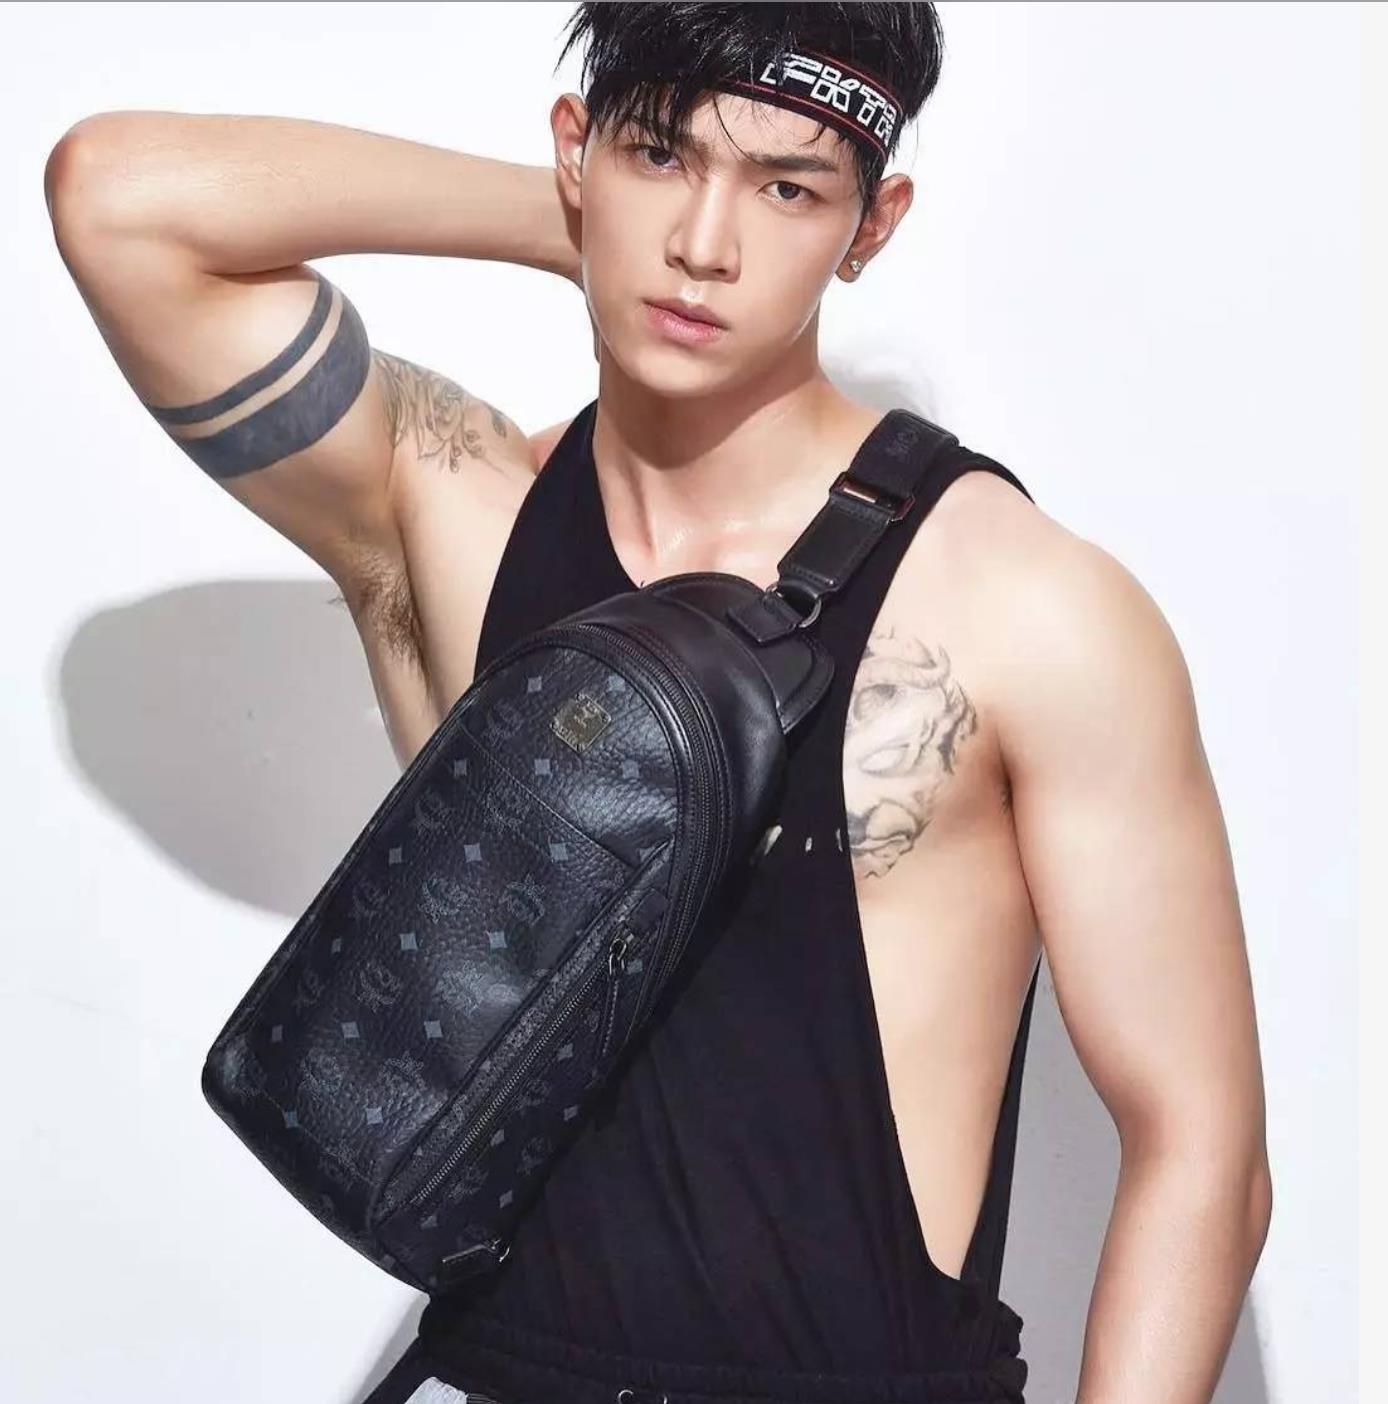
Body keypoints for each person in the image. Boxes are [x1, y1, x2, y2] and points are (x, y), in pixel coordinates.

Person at [43, 4, 1272, 1402]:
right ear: (577, 151)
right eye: (659, 155)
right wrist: (572, 222)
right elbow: (118, 200)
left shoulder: (1025, 605)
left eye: (789, 189)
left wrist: (637, 191)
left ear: (871, 226)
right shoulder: (460, 514)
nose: (705, 244)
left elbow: (1201, 1147)